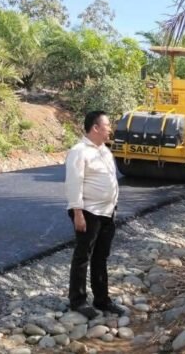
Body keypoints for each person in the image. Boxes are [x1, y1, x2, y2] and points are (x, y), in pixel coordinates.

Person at [65, 111, 128, 319]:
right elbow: (74, 183)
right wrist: (77, 213)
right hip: (88, 212)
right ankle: (78, 301)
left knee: (101, 257)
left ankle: (102, 300)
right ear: (95, 128)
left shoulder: (104, 151)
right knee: (83, 256)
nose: (110, 128)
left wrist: (114, 206)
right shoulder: (79, 151)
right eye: (107, 125)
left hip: (107, 212)